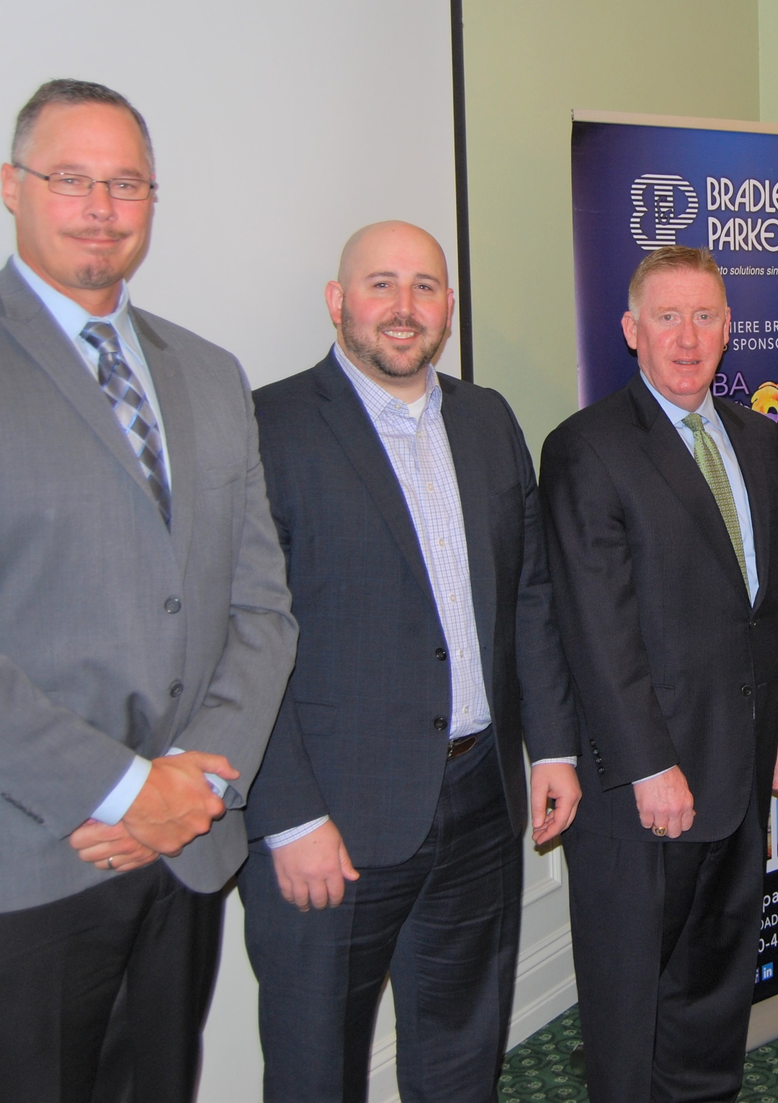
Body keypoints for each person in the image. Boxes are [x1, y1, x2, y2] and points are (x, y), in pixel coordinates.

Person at [0, 79, 299, 1101]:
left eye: (124, 182)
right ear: (14, 187)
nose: (101, 205)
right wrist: (130, 791)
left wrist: (194, 784)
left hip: (184, 847)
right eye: (71, 178)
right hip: (19, 859)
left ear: (151, 199)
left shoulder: (211, 373)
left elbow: (260, 608)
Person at [242, 222, 581, 1101]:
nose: (404, 307)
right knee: (317, 1068)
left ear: (449, 309)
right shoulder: (268, 427)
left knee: (460, 1057)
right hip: (331, 824)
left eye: (425, 287)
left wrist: (550, 746)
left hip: (477, 801)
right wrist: (286, 816)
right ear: (338, 301)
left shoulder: (486, 418)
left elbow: (533, 594)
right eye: (381, 284)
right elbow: (240, 636)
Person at [540, 246, 778, 1102]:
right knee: (632, 994)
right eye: (667, 317)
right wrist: (649, 764)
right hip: (645, 780)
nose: (688, 337)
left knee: (714, 978)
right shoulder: (587, 447)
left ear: (729, 329)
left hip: (739, 762)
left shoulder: (761, 440)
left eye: (705, 316)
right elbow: (597, 628)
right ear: (631, 331)